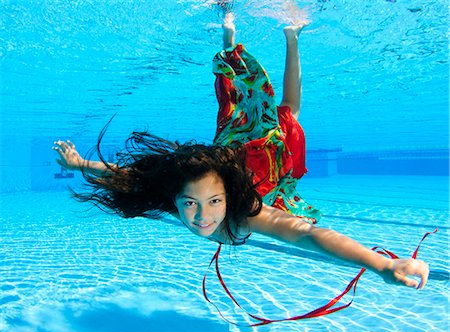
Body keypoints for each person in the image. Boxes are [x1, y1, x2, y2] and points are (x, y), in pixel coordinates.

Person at [53, 15, 429, 293]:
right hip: (226, 157)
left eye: (213, 201)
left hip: (255, 165)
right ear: (177, 198)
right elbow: (125, 175)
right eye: (190, 203)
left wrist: (381, 264)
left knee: (285, 111)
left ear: (227, 197)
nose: (202, 216)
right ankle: (232, 34)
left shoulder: (246, 210)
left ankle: (290, 34)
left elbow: (307, 235)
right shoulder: (177, 191)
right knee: (233, 105)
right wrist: (80, 164)